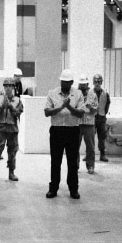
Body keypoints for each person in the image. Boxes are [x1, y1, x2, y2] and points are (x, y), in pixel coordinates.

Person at [44, 69, 85, 199]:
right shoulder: (52, 93)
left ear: (72, 82)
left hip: (72, 130)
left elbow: (80, 113)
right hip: (57, 130)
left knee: (72, 162)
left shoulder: (78, 94)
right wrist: (61, 107)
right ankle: (53, 188)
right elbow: (47, 112)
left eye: (67, 82)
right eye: (62, 82)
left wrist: (69, 107)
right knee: (56, 161)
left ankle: (73, 188)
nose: (64, 84)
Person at [0, 77, 24, 182]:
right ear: (4, 87)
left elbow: (18, 113)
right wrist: (3, 106)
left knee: (12, 151)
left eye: (10, 86)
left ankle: (11, 172)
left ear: (13, 88)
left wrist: (11, 107)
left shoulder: (17, 100)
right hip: (1, 128)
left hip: (12, 129)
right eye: (6, 86)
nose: (8, 88)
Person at [77, 75, 98, 174]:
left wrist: (90, 107)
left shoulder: (92, 95)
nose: (82, 87)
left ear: (87, 85)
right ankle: (75, 166)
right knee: (74, 146)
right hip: (77, 124)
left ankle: (90, 166)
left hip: (89, 124)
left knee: (90, 147)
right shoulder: (75, 94)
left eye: (84, 85)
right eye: (81, 85)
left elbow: (95, 111)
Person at [93, 74, 111, 162]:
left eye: (99, 82)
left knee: (102, 137)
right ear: (93, 82)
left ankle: (102, 155)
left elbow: (108, 103)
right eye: (96, 81)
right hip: (91, 118)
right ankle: (89, 154)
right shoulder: (90, 92)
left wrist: (104, 112)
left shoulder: (105, 93)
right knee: (90, 137)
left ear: (101, 82)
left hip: (101, 118)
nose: (97, 83)